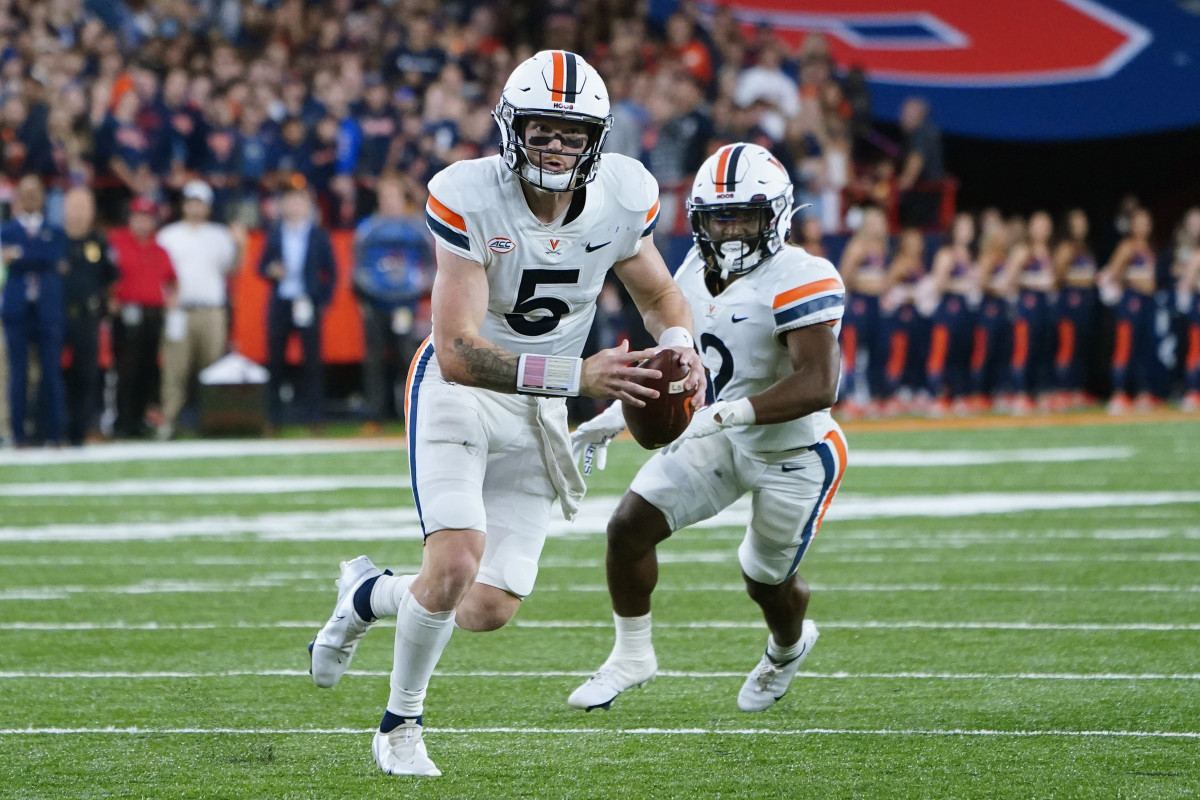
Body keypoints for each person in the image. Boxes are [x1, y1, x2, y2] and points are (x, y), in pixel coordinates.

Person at [306, 50, 705, 777]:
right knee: (454, 560)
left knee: (485, 607)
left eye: (570, 133)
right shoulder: (469, 194)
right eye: (541, 131)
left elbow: (660, 295)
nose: (555, 147)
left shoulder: (622, 196)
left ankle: (365, 594)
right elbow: (458, 349)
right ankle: (400, 726)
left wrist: (682, 348)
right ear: (510, 129)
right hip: (462, 392)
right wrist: (578, 374)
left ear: (597, 139)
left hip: (539, 409)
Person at [567, 142, 846, 714]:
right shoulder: (693, 269)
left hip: (793, 452)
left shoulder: (803, 273)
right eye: (719, 217)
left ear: (778, 215)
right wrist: (615, 415)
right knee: (627, 528)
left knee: (764, 581)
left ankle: (788, 647)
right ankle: (631, 654)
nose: (730, 230)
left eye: (743, 216)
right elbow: (687, 369)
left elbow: (820, 383)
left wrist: (728, 413)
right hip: (717, 433)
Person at [154, 180, 243, 439]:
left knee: (213, 369)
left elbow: (234, 268)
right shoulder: (169, 235)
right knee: (174, 370)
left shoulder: (219, 234)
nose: (195, 207)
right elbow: (159, 273)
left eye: (200, 202)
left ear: (208, 206)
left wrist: (239, 244)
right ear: (184, 204)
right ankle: (168, 422)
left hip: (211, 311)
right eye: (191, 201)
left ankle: (213, 421)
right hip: (178, 310)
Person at [351, 174, 433, 432]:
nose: (388, 201)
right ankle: (375, 416)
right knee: (374, 361)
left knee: (409, 360)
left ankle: (412, 413)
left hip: (406, 305)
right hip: (376, 305)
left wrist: (418, 291)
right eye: (384, 197)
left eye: (392, 196)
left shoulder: (418, 228)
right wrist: (366, 295)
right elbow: (356, 268)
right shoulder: (368, 228)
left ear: (402, 199)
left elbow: (432, 265)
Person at [258, 184, 335, 430]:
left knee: (312, 361)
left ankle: (315, 416)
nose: (294, 206)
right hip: (281, 301)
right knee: (276, 361)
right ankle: (274, 418)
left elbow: (331, 272)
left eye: (299, 201)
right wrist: (273, 271)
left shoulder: (317, 234)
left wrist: (322, 301)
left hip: (306, 301)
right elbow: (260, 266)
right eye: (290, 201)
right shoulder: (275, 232)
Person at [1, 176, 70, 447]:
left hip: (47, 309)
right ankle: (18, 434)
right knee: (17, 375)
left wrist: (20, 256)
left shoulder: (55, 230)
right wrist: (38, 258)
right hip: (17, 309)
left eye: (35, 193)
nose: (30, 198)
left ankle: (53, 433)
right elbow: (46, 260)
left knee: (51, 373)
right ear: (18, 197)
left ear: (43, 197)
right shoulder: (6, 230)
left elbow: (55, 258)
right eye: (25, 193)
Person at [108, 197, 177, 438]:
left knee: (149, 369)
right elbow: (107, 275)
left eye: (147, 217)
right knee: (126, 368)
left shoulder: (160, 249)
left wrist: (172, 300)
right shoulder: (116, 242)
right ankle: (122, 422)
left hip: (153, 315)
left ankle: (140, 422)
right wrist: (111, 298)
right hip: (126, 313)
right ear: (130, 217)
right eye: (138, 216)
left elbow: (172, 280)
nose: (142, 222)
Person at [60, 187, 118, 446]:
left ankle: (81, 431)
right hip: (56, 317)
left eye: (85, 207)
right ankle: (51, 427)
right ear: (64, 209)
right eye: (75, 206)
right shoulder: (54, 240)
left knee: (87, 373)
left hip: (88, 317)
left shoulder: (99, 243)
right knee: (53, 374)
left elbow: (110, 279)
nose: (80, 212)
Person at [1101, 207, 1157, 413]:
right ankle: (1118, 394)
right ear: (1132, 225)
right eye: (1139, 222)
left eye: (1147, 222)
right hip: (1130, 301)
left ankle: (1142, 393)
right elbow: (1112, 273)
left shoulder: (1148, 247)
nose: (1143, 227)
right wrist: (1134, 282)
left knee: (1143, 348)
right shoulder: (1127, 246)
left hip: (1146, 303)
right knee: (1124, 347)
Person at [1002, 211, 1057, 414]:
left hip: (1045, 307)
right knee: (1023, 350)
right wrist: (1033, 283)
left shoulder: (1049, 251)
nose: (1042, 229)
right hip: (1028, 306)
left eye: (1046, 225)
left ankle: (1039, 392)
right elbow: (1008, 280)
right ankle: (1019, 394)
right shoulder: (1024, 250)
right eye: (1038, 225)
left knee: (1042, 351)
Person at [924, 212, 977, 416]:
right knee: (940, 353)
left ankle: (957, 395)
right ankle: (936, 395)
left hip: (965, 309)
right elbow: (939, 284)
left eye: (969, 227)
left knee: (960, 353)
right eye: (963, 227)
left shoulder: (970, 255)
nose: (967, 231)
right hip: (948, 309)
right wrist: (962, 283)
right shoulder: (946, 253)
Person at [1051, 209, 1097, 410]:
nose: (1081, 226)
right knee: (1067, 347)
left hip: (1085, 304)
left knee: (1081, 347)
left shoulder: (1085, 248)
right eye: (1076, 223)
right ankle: (1063, 390)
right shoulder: (1066, 247)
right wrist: (1081, 280)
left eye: (1083, 222)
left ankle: (1077, 390)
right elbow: (1058, 276)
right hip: (1069, 303)